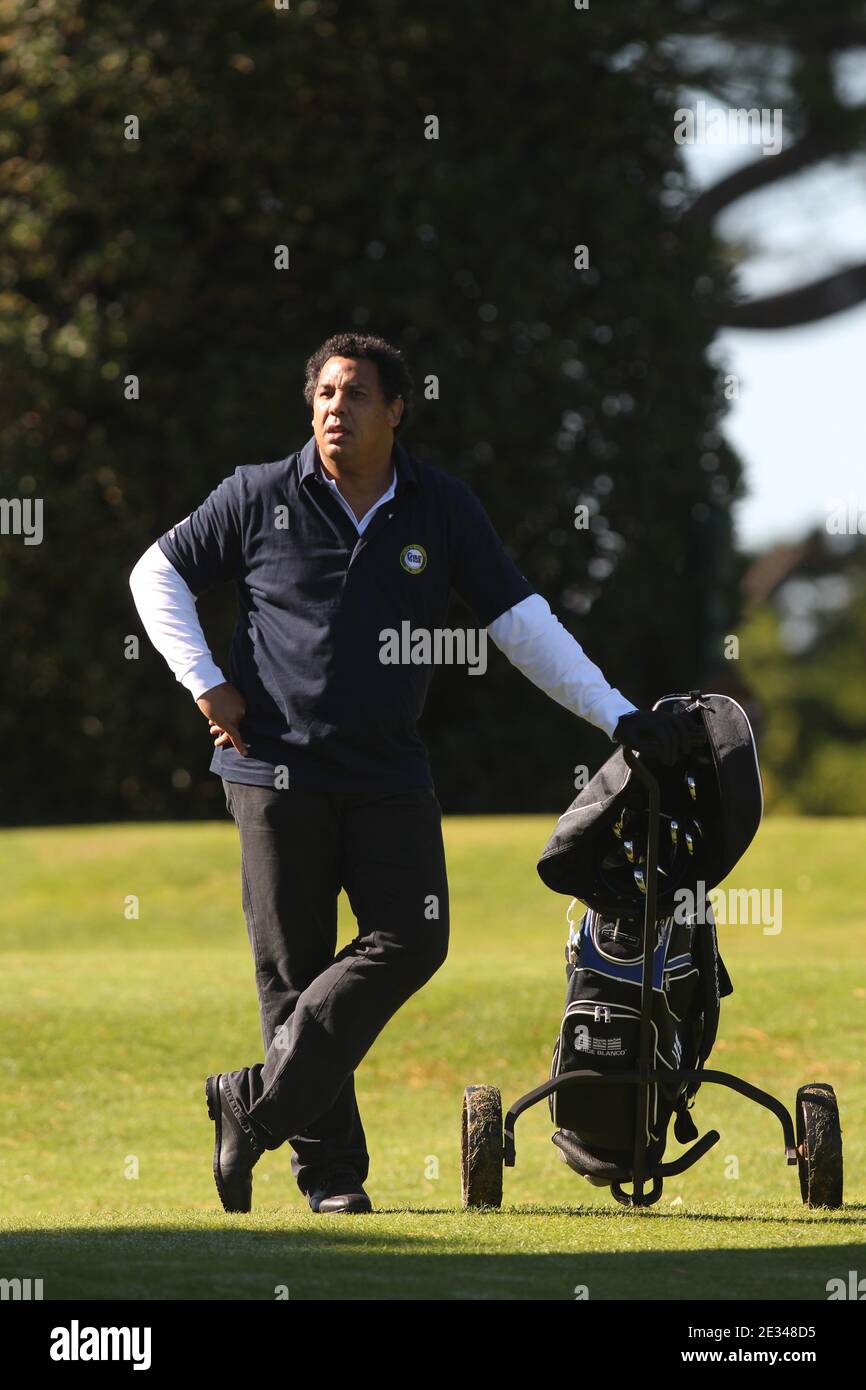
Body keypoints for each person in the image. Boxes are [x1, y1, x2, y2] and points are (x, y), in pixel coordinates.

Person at [129, 331, 701, 1215]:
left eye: (355, 394)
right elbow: (155, 571)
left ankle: (251, 1103)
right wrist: (207, 683)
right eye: (323, 393)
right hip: (273, 771)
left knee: (414, 937)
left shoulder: (441, 508)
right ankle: (332, 1181)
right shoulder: (256, 495)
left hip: (389, 771)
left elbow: (521, 623)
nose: (334, 408)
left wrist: (618, 713)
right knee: (294, 970)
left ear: (395, 410)